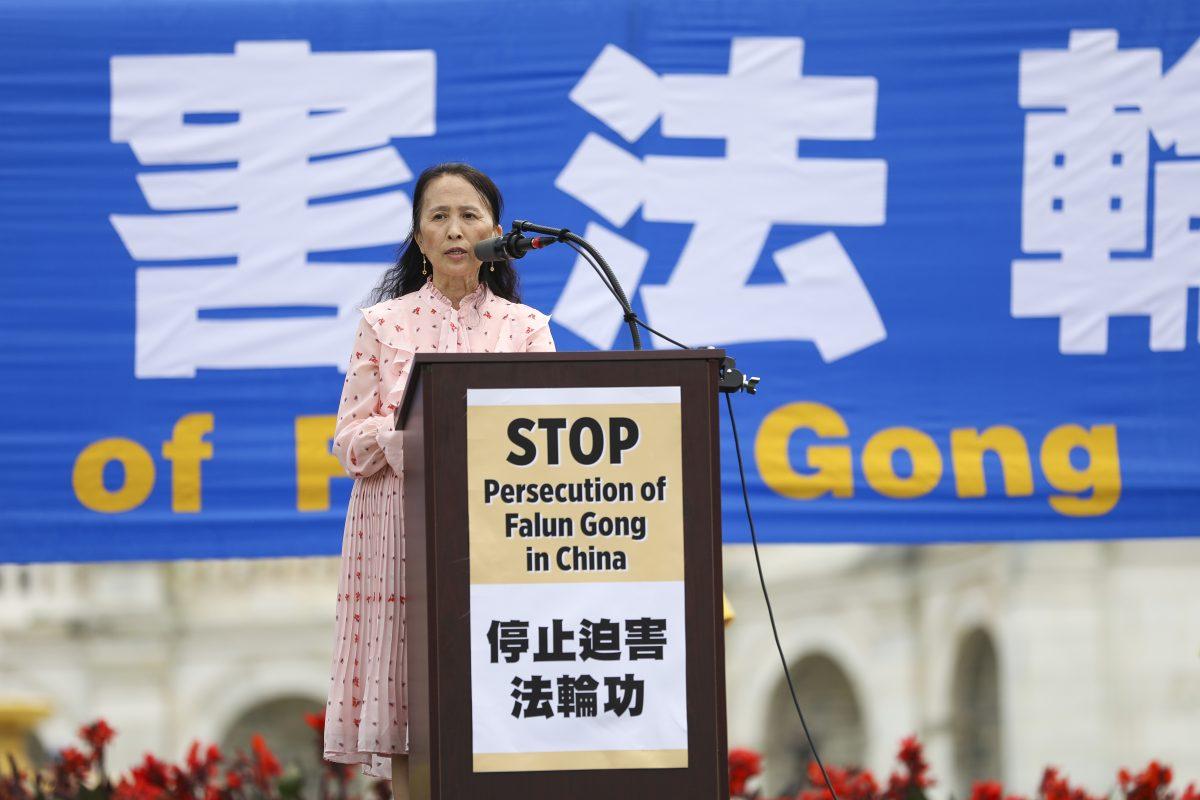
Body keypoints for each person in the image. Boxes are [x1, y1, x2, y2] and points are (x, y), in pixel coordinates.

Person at [321, 163, 555, 796]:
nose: (456, 230)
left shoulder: (526, 328)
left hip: (499, 525)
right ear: (419, 237)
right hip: (398, 526)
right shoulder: (383, 324)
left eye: (470, 216)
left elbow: (548, 435)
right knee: (408, 704)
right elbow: (348, 440)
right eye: (439, 217)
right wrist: (412, 443)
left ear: (495, 234)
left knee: (493, 682)